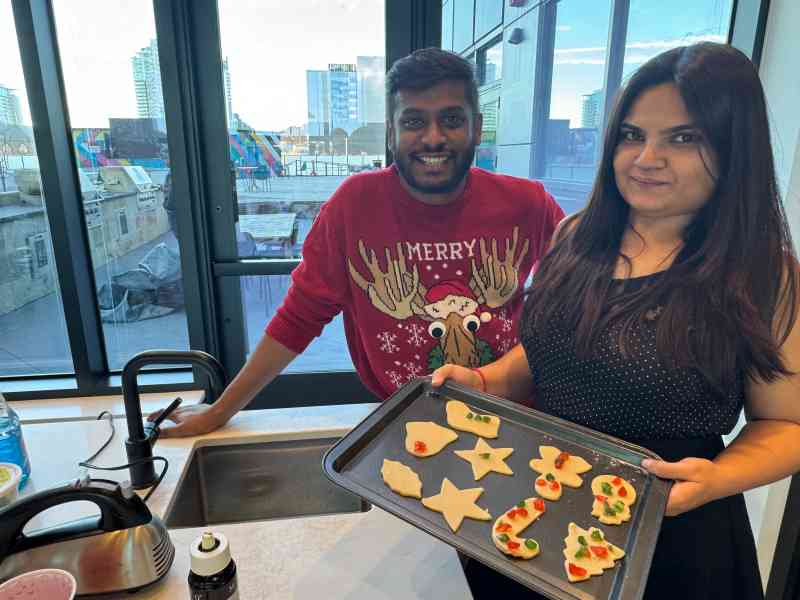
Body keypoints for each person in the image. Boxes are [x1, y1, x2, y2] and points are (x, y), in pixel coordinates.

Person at [431, 42, 800, 600]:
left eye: (683, 137)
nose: (646, 157)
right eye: (632, 134)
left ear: (732, 149)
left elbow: (787, 426)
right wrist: (486, 382)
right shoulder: (575, 235)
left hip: (669, 529)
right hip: (538, 503)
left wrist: (720, 477)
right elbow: (552, 350)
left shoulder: (764, 274)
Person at [150, 47, 564, 437]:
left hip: (517, 415)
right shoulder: (354, 206)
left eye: (452, 120)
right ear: (390, 132)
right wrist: (221, 409)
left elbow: (586, 288)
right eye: (414, 121)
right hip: (406, 420)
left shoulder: (528, 203)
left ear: (475, 127)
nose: (434, 137)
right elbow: (298, 318)